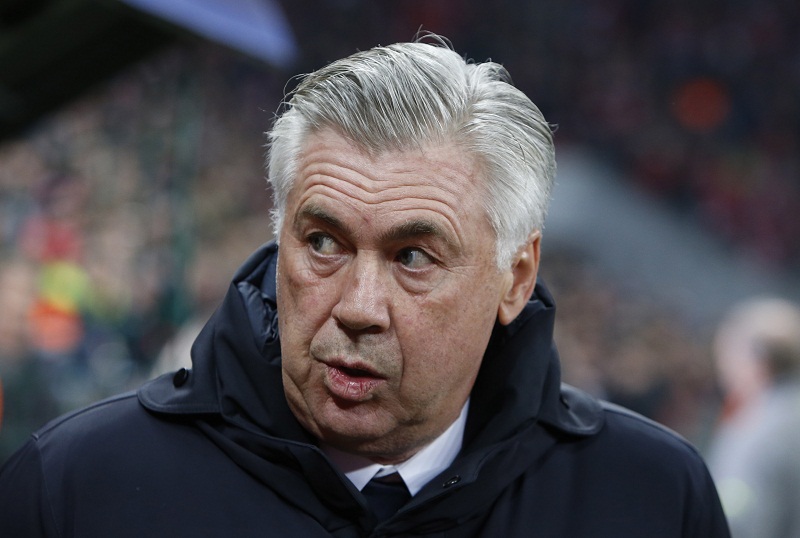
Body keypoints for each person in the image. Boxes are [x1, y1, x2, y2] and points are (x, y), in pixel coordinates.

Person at [0, 36, 729, 537]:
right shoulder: (77, 485)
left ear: (516, 277)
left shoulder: (650, 496)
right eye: (323, 243)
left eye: (415, 257)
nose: (357, 308)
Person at [707, 297, 800, 538]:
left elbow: (734, 526)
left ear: (758, 359)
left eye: (727, 353)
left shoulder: (758, 428)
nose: (722, 368)